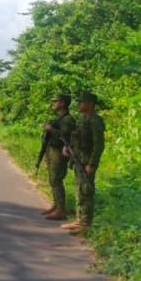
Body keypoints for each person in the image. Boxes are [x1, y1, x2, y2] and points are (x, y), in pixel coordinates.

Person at [61, 92, 105, 235]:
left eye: (82, 102)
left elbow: (98, 145)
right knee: (79, 189)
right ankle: (80, 219)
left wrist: (92, 163)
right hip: (79, 158)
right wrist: (69, 149)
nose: (79, 104)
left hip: (87, 160)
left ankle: (86, 222)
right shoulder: (82, 118)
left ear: (90, 104)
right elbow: (77, 139)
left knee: (86, 190)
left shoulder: (95, 120)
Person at [42, 94, 76, 221]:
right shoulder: (58, 119)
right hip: (52, 151)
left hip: (60, 152)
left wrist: (51, 129)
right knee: (52, 179)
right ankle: (56, 205)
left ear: (62, 103)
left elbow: (65, 137)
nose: (53, 103)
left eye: (55, 101)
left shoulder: (67, 120)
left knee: (56, 179)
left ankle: (61, 210)